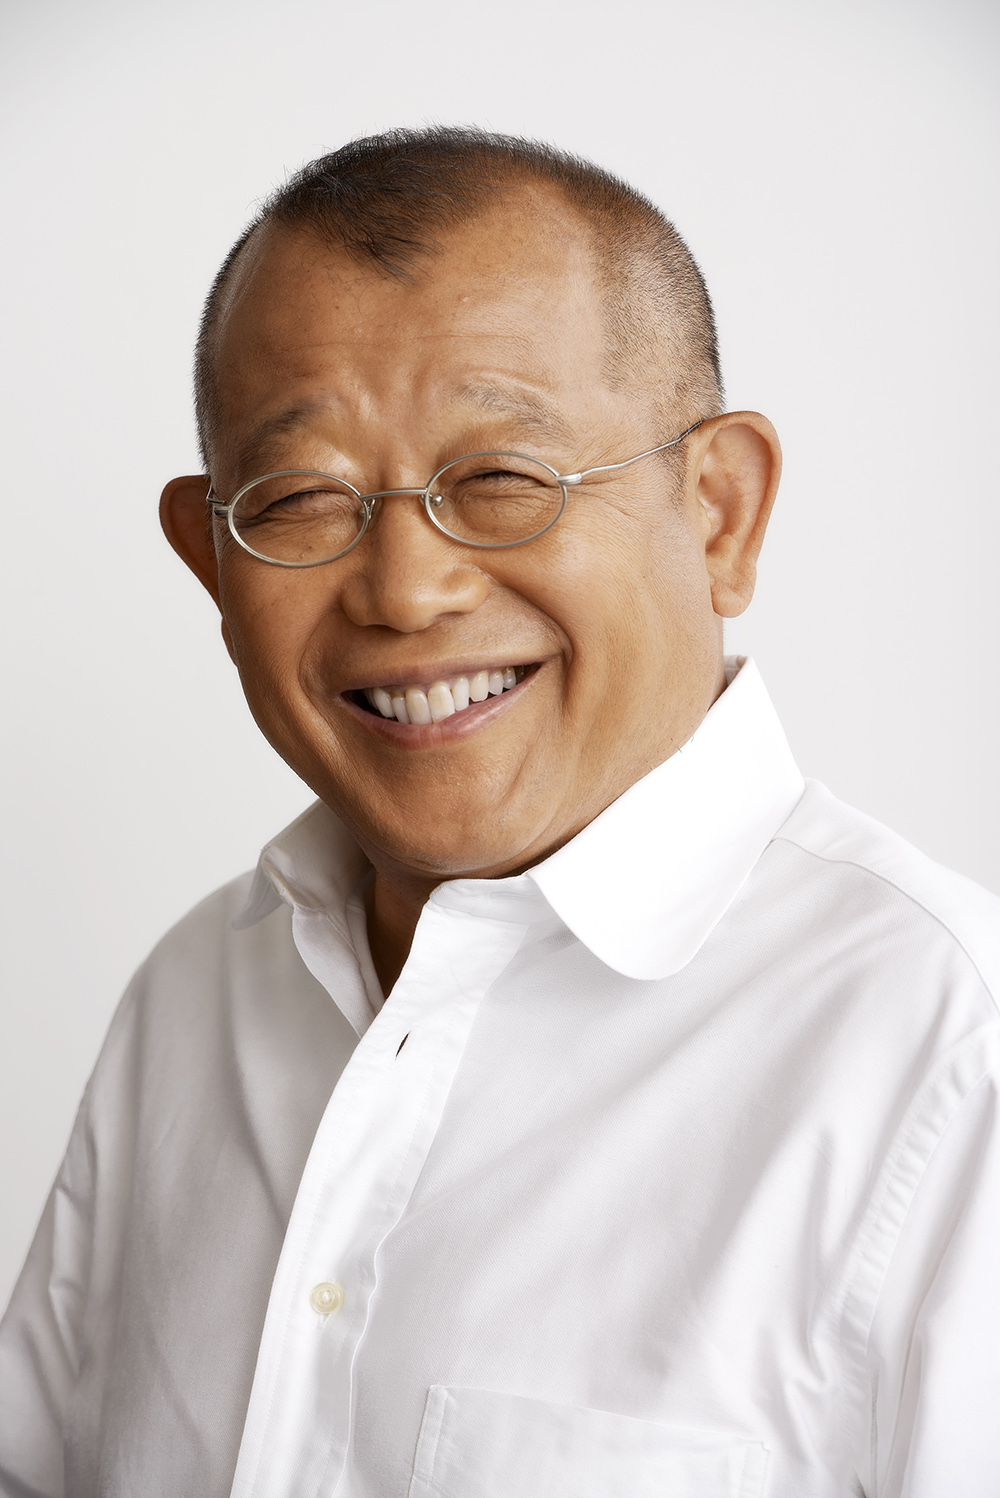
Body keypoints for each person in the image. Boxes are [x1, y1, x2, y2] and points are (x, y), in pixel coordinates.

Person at [1, 126, 997, 1498]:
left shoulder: (952, 1066)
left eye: (502, 482)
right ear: (212, 563)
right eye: (304, 500)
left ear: (720, 512)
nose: (406, 589)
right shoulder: (196, 996)